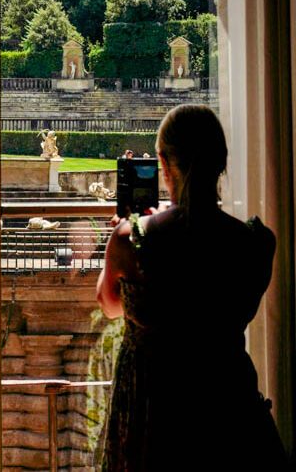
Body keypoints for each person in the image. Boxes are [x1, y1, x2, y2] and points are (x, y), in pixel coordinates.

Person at [96, 105, 287, 471]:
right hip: (228, 404)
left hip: (155, 409)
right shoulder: (256, 242)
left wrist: (128, 231)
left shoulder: (132, 239)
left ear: (164, 164)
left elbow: (110, 305)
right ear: (221, 161)